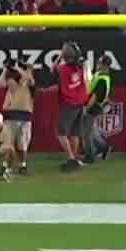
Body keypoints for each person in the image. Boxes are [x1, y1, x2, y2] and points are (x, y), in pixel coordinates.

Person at [0, 59, 35, 175]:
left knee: (23, 144)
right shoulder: (12, 82)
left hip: (25, 115)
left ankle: (22, 165)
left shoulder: (28, 82)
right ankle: (5, 165)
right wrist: (5, 69)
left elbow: (28, 79)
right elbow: (0, 84)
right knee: (8, 142)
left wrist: (20, 68)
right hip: (11, 114)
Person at [53, 41, 87, 172]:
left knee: (60, 132)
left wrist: (59, 56)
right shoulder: (80, 67)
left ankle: (71, 159)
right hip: (80, 102)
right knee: (74, 133)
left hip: (70, 103)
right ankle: (74, 159)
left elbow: (52, 68)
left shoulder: (62, 69)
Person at [80, 54, 113, 164]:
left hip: (93, 107)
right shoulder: (100, 75)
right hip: (93, 105)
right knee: (92, 131)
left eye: (99, 63)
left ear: (104, 65)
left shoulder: (102, 79)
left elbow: (95, 97)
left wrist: (86, 109)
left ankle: (89, 157)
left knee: (86, 133)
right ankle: (104, 148)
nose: (97, 64)